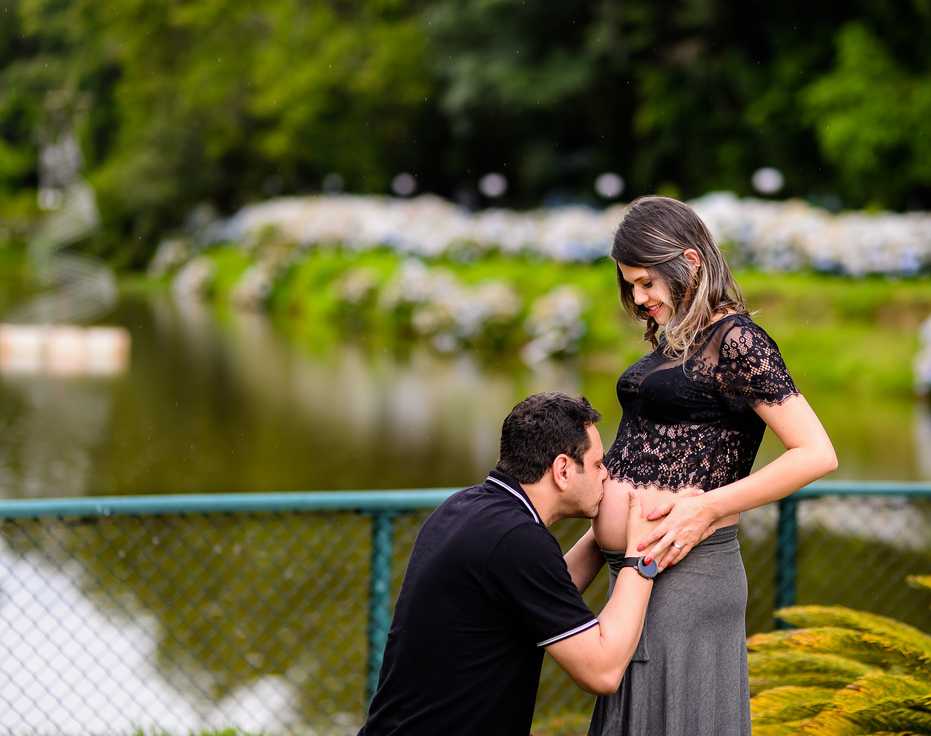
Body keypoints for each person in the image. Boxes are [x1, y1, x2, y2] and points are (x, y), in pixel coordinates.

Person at [586, 196, 839, 736]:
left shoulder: (738, 340)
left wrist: (706, 508)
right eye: (629, 284)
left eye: (647, 282)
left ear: (690, 262)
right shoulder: (674, 339)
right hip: (633, 571)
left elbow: (817, 452)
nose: (638, 297)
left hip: (687, 574)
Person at [356, 391, 660, 736]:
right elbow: (602, 672)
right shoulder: (517, 540)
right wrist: (642, 553)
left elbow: (542, 598)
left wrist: (602, 535)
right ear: (562, 469)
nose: (606, 475)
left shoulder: (466, 507)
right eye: (596, 465)